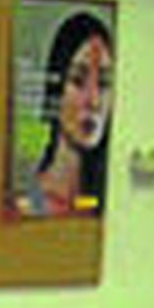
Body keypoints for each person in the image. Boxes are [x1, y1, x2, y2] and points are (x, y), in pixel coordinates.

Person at [23, 11, 113, 217]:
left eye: (104, 84)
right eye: (78, 81)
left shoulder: (104, 199)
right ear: (56, 91)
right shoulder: (33, 201)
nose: (94, 101)